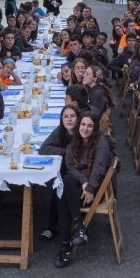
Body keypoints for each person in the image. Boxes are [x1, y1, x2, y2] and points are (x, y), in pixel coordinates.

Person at [55, 113, 112, 268]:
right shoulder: (74, 141)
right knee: (64, 185)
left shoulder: (100, 142)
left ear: (95, 128)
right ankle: (79, 228)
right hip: (81, 185)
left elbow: (99, 167)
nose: (85, 128)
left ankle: (65, 247)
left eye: (90, 126)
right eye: (83, 125)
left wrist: (90, 186)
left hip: (95, 189)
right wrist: (83, 181)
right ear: (79, 125)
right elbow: (70, 166)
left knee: (62, 194)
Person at [38, 105, 80, 241]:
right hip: (67, 170)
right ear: (61, 119)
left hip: (80, 174)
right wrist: (66, 152)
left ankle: (59, 230)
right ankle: (53, 227)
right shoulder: (61, 130)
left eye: (72, 116)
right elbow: (43, 149)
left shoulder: (83, 131)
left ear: (78, 118)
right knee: (59, 184)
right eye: (65, 117)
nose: (69, 120)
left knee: (60, 184)